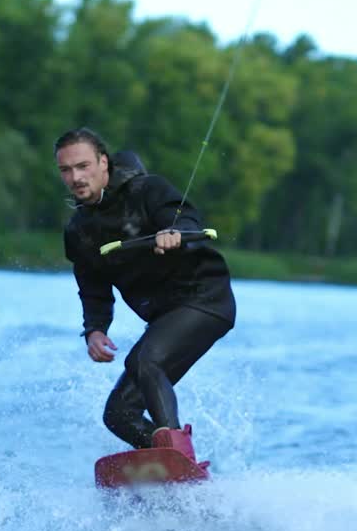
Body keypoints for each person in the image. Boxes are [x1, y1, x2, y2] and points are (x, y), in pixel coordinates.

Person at [56, 127, 235, 466]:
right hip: (167, 314)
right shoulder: (78, 230)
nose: (76, 177)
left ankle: (175, 452)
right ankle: (172, 471)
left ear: (103, 163)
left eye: (83, 166)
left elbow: (188, 221)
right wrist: (95, 329)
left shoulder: (148, 189)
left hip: (205, 298)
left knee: (144, 361)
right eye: (66, 170)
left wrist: (175, 233)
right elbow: (93, 288)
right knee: (119, 414)